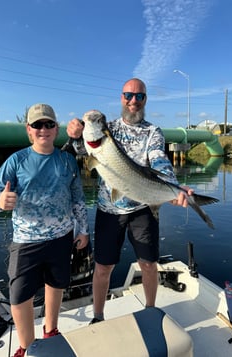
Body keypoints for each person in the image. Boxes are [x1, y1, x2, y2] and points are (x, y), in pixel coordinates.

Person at [67, 78, 193, 324]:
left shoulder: (153, 131)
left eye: (139, 96)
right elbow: (82, 150)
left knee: (149, 264)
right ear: (121, 98)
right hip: (107, 209)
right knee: (103, 267)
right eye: (128, 95)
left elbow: (158, 160)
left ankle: (150, 310)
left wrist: (174, 188)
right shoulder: (108, 129)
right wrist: (74, 135)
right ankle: (98, 316)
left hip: (142, 207)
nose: (133, 101)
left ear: (145, 100)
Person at [0, 103, 90, 357]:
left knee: (56, 285)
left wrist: (83, 230)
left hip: (62, 237)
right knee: (19, 297)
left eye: (49, 124)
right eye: (37, 125)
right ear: (29, 130)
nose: (43, 129)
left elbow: (77, 198)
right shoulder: (16, 160)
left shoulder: (67, 161)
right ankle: (25, 345)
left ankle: (51, 329)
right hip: (26, 241)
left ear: (56, 129)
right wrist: (0, 201)